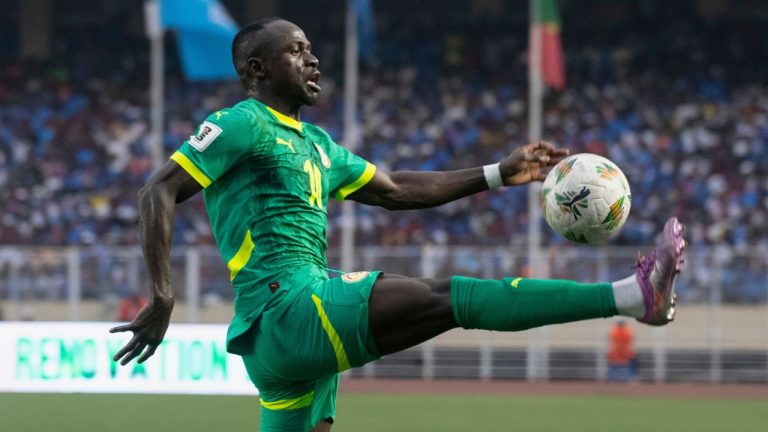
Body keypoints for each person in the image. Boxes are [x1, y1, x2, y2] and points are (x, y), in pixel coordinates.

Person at [110, 18, 686, 432]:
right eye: (297, 51)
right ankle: (630, 296)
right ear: (257, 69)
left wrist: (497, 173)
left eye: (311, 49)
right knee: (449, 297)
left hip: (285, 341)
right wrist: (163, 295)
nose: (313, 60)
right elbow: (157, 190)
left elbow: (395, 189)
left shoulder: (318, 144)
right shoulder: (241, 124)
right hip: (287, 310)